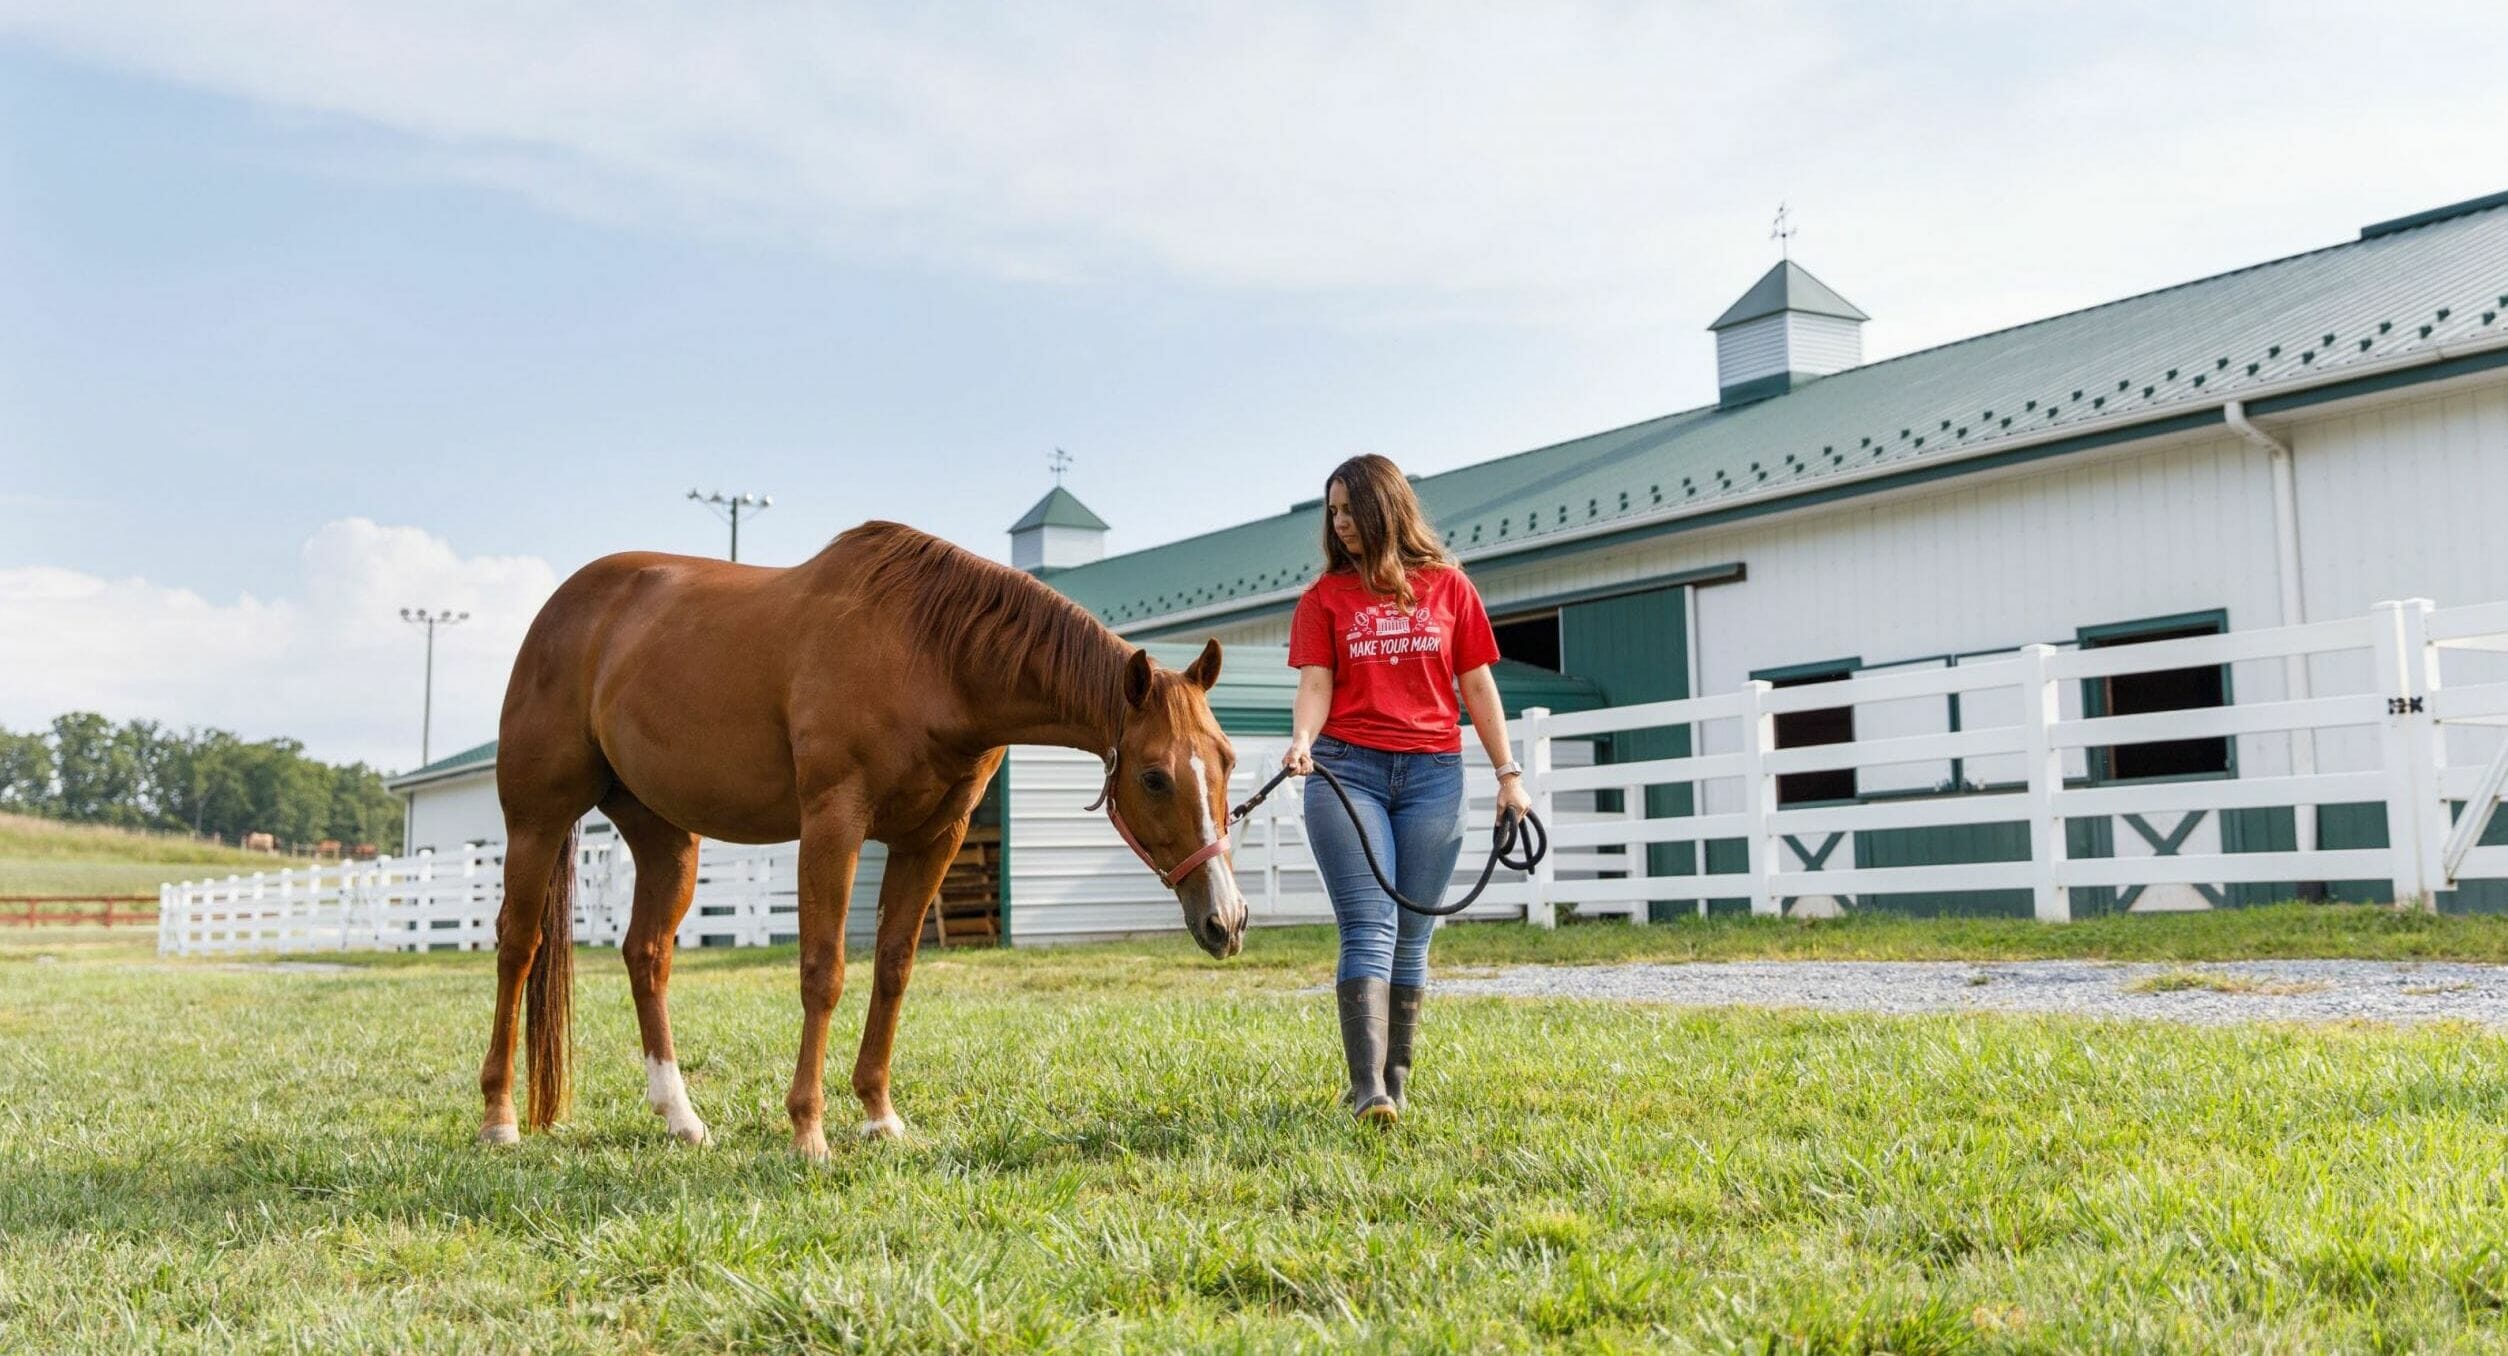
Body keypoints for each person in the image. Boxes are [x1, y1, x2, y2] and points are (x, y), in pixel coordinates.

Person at [1283, 454, 1533, 1123]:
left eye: (1348, 510)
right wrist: (1304, 740)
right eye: (1331, 512)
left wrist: (1509, 775)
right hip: (1347, 771)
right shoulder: (1322, 600)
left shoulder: (1450, 589)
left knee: (1414, 935)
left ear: (1384, 508)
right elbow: (1315, 683)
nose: (1338, 524)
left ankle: (1396, 1079)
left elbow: (1477, 685)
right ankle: (1368, 1091)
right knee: (1369, 926)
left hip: (1433, 774)